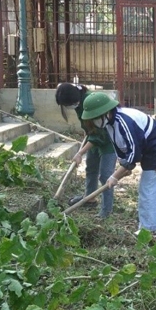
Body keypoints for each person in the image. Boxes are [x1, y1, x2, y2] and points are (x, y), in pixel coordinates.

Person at [80, 92, 156, 241]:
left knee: (148, 189)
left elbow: (134, 154)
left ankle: (149, 231)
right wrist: (123, 166)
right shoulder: (110, 124)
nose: (94, 122)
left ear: (105, 113)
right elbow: (121, 147)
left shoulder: (123, 121)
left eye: (95, 118)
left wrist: (115, 175)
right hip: (150, 149)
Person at [55, 82, 117, 219]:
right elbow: (89, 127)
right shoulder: (78, 101)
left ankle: (106, 211)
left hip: (108, 141)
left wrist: (80, 153)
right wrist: (87, 133)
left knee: (106, 176)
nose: (68, 107)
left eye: (67, 104)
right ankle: (90, 199)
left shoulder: (90, 101)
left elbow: (99, 136)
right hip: (94, 137)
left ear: (74, 100)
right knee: (91, 169)